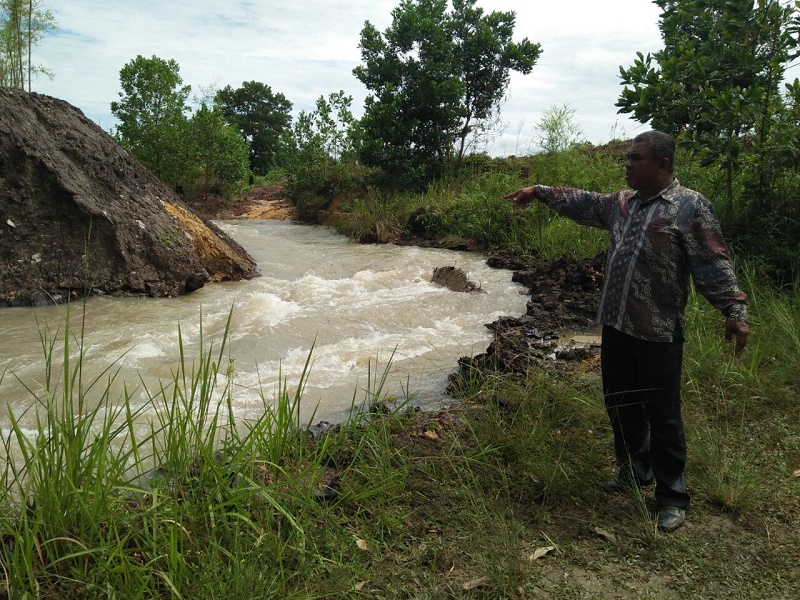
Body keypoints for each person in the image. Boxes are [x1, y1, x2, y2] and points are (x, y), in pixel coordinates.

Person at [503, 130, 749, 532]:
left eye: (636, 159)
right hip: (616, 324)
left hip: (658, 331)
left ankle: (672, 496)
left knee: (663, 415)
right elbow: (582, 201)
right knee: (620, 405)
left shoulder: (690, 207)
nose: (627, 165)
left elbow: (713, 262)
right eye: (628, 158)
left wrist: (733, 309)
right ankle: (634, 472)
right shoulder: (621, 204)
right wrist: (539, 191)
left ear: (662, 164)